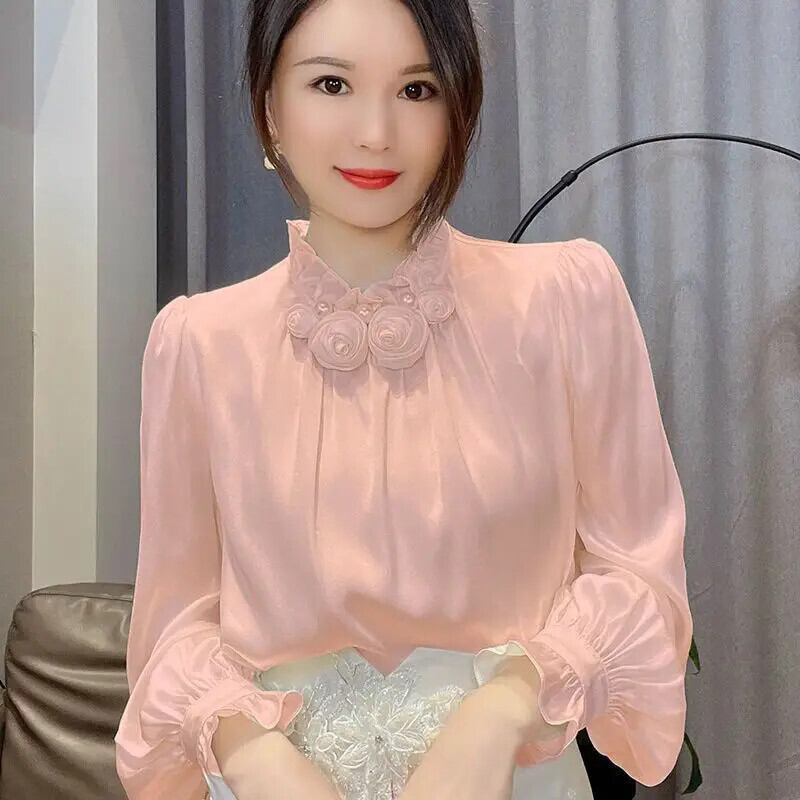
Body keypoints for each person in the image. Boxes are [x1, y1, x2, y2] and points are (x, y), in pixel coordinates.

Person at [113, 0, 693, 798]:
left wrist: (501, 712)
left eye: (417, 90)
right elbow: (174, 628)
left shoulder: (566, 298)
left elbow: (641, 579)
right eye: (331, 85)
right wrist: (252, 755)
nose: (376, 133)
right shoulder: (198, 344)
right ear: (270, 110)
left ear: (457, 109)